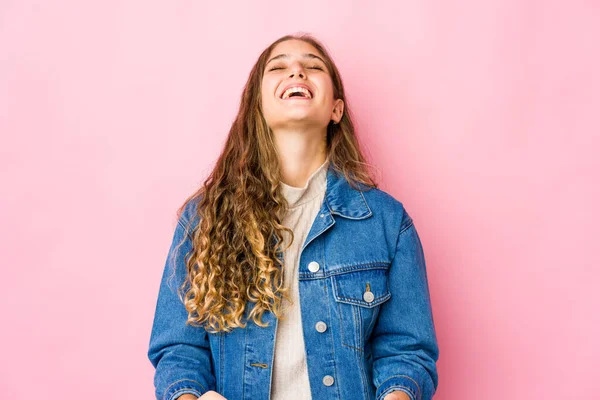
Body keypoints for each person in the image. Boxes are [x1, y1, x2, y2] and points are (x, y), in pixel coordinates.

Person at [148, 33, 439, 400]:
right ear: (258, 105)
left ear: (336, 108)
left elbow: (407, 351)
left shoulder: (386, 221)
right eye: (279, 67)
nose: (297, 71)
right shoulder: (204, 218)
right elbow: (178, 351)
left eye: (313, 66)